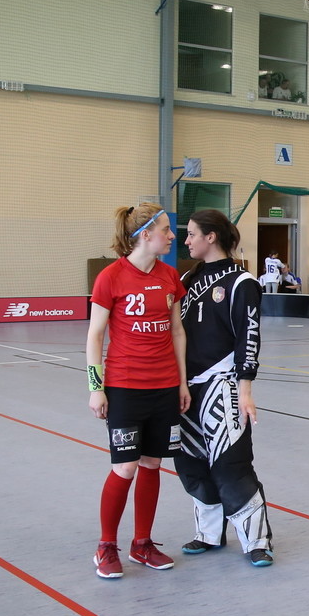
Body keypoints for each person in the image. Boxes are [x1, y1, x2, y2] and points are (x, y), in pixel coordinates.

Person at [85, 204, 188, 580]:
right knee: (125, 466)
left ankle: (141, 544)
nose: (172, 236)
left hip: (164, 387)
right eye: (166, 229)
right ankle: (106, 546)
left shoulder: (170, 276)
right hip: (125, 387)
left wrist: (181, 382)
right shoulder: (110, 277)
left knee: (152, 464)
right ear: (145, 235)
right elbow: (95, 336)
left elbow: (177, 331)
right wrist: (96, 388)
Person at [175, 210, 274, 567]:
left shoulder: (242, 282)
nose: (187, 241)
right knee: (190, 463)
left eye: (192, 234)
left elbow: (249, 337)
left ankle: (256, 541)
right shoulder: (186, 279)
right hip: (186, 388)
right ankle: (208, 533)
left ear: (211, 236)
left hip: (223, 383)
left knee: (231, 464)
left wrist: (244, 390)